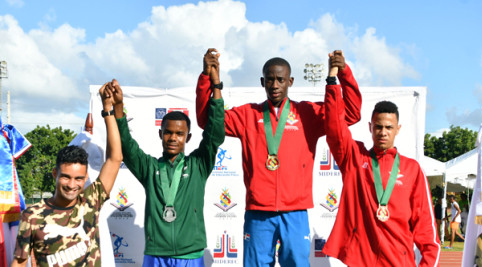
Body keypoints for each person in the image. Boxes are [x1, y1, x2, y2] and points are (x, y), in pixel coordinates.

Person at [196, 49, 362, 266]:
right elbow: (207, 121)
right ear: (262, 82)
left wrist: (343, 74)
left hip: (295, 212)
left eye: (281, 80)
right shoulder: (247, 115)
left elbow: (350, 113)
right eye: (270, 80)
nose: (275, 85)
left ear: (290, 81)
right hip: (258, 214)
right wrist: (207, 78)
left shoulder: (307, 114)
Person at [321, 63, 440, 266]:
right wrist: (335, 79)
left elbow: (426, 228)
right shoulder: (355, 159)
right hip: (362, 261)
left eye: (388, 127)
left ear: (397, 129)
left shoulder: (411, 169)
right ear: (370, 127)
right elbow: (334, 127)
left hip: (399, 261)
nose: (383, 132)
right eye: (378, 127)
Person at [110, 65, 225, 266]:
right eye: (168, 132)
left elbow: (214, 134)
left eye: (179, 134)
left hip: (190, 255)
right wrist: (118, 107)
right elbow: (127, 146)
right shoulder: (149, 168)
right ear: (160, 134)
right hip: (156, 254)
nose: (173, 138)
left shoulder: (199, 164)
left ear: (187, 137)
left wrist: (216, 85)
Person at [11, 81, 123, 266]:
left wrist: (108, 109)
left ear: (86, 177)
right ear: (55, 173)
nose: (72, 185)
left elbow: (115, 158)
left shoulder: (91, 201)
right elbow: (19, 262)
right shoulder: (31, 215)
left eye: (79, 178)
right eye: (66, 177)